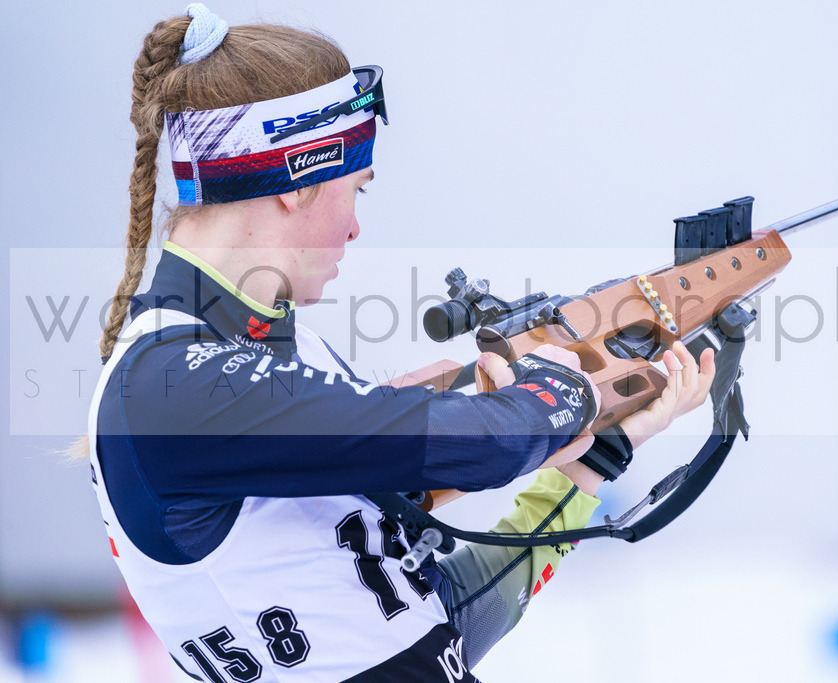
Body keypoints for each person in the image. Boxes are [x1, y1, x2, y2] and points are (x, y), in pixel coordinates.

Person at [87, 5, 715, 681]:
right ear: (299, 180)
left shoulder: (283, 358)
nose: (355, 227)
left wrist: (598, 455)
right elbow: (488, 442)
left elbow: (438, 628)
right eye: (356, 189)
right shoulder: (169, 384)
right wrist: (561, 391)